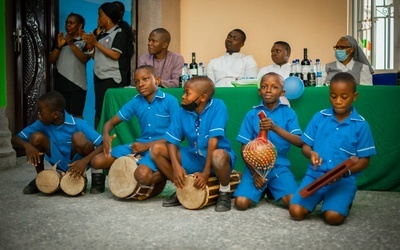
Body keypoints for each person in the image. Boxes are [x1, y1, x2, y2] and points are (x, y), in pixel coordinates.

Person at [289, 72, 377, 225]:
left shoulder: (361, 125)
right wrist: (311, 153)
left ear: (354, 96)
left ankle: (342, 201)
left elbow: (364, 161)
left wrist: (345, 172)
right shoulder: (319, 117)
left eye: (344, 97)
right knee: (295, 212)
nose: (338, 101)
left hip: (342, 180)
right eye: (333, 96)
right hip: (315, 176)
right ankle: (321, 198)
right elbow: (305, 147)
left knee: (332, 218)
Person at [150, 76, 237, 212]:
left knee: (217, 155)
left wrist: (206, 173)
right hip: (195, 157)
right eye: (184, 92)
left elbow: (213, 141)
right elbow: (172, 141)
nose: (183, 96)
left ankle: (224, 191)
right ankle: (183, 189)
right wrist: (176, 165)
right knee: (156, 149)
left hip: (217, 159)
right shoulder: (182, 111)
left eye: (187, 93)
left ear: (202, 98)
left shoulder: (218, 106)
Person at [90, 65, 179, 191]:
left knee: (142, 175)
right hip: (140, 145)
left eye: (145, 79)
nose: (140, 84)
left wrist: (147, 146)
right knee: (97, 161)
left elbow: (177, 135)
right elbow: (110, 123)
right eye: (136, 82)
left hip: (161, 148)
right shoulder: (136, 101)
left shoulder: (170, 101)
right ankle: (100, 184)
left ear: (157, 80)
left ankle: (164, 173)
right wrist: (105, 135)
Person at [11, 91, 104, 194]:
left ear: (55, 114)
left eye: (41, 112)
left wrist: (84, 161)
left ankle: (97, 177)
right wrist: (27, 145)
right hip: (58, 160)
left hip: (79, 162)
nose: (39, 115)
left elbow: (103, 144)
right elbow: (15, 139)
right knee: (36, 137)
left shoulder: (78, 123)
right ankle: (41, 177)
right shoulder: (42, 124)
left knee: (78, 137)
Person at [234, 73, 303, 210]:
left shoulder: (289, 113)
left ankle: (271, 188)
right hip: (255, 167)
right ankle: (262, 188)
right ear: (259, 91)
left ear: (282, 92)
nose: (268, 90)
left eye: (274, 87)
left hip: (279, 166)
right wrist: (254, 174)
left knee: (293, 203)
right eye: (264, 87)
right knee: (240, 204)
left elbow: (300, 142)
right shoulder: (252, 114)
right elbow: (244, 147)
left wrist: (275, 128)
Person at [82, 2, 134, 128]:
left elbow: (115, 55)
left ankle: (112, 141)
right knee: (99, 110)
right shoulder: (100, 34)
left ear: (109, 18)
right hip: (99, 77)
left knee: (112, 111)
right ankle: (98, 139)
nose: (98, 18)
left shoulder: (120, 32)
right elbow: (98, 57)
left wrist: (96, 43)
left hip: (112, 78)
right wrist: (90, 47)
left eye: (100, 15)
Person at [48, 12, 90, 118]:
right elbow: (51, 60)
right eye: (67, 23)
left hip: (78, 85)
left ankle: (79, 135)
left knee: (77, 116)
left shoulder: (86, 41)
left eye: (71, 23)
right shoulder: (60, 40)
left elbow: (85, 59)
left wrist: (71, 44)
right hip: (61, 83)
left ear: (80, 26)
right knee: (61, 116)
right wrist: (59, 46)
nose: (68, 25)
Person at [257, 41, 292, 106]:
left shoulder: (295, 70)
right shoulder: (264, 70)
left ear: (288, 53)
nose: (274, 54)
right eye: (272, 52)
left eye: (278, 51)